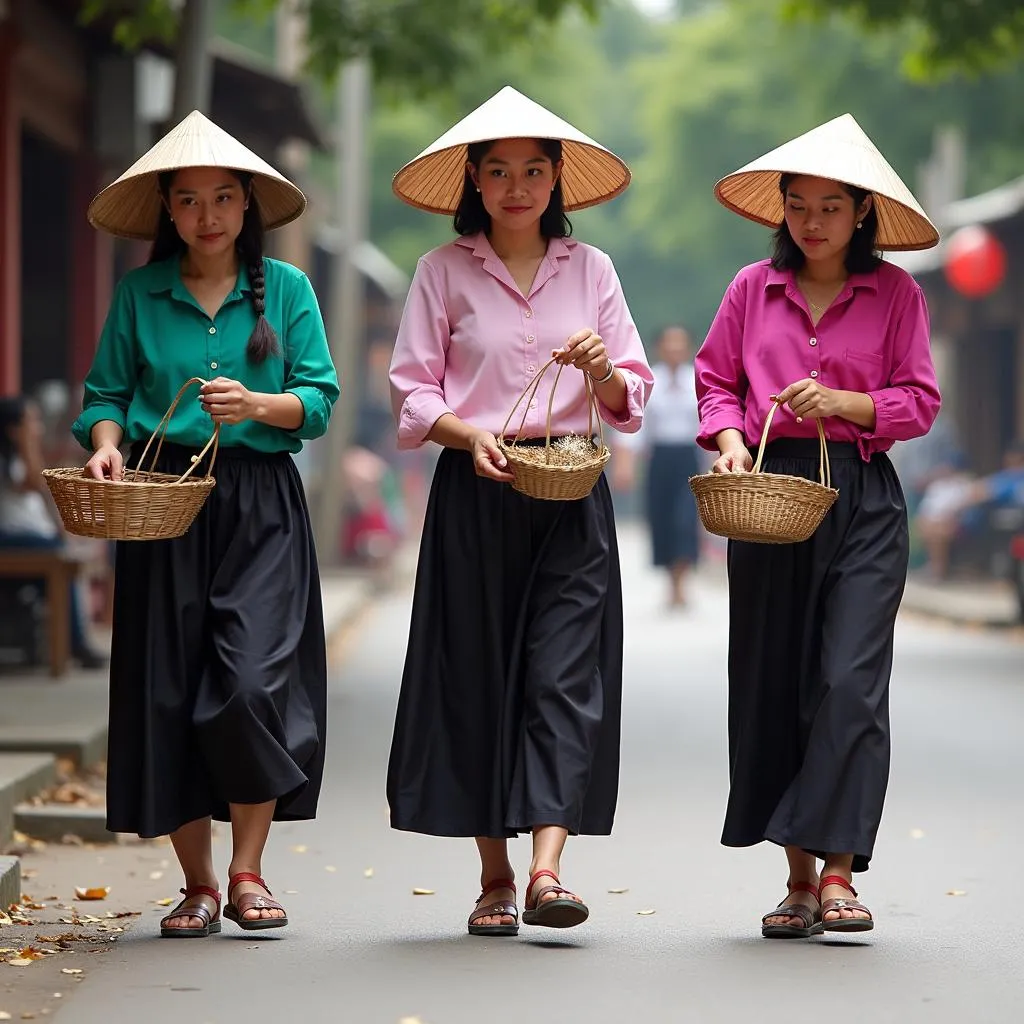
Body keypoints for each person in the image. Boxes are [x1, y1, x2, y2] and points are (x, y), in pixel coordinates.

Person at [387, 86, 653, 934]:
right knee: (477, 677)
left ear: (556, 181)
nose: (516, 187)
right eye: (498, 170)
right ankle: (494, 876)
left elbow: (632, 395)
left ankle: (546, 871)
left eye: (533, 171)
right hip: (476, 490)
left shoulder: (595, 270)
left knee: (565, 677)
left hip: (571, 494)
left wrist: (601, 368)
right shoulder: (441, 271)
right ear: (473, 179)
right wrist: (467, 436)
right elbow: (412, 391)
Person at [71, 111, 339, 937]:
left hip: (260, 504)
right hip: (161, 507)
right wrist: (107, 450)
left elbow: (319, 399)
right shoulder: (139, 294)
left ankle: (249, 869)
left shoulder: (287, 291)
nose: (209, 214)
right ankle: (196, 885)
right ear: (169, 213)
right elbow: (103, 399)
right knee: (169, 694)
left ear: (248, 208)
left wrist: (259, 404)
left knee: (250, 686)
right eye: (189, 200)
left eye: (225, 197)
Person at [696, 114, 941, 937]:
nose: (811, 221)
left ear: (862, 213)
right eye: (796, 205)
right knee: (777, 682)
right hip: (770, 497)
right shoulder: (747, 289)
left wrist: (846, 403)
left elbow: (919, 400)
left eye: (830, 207)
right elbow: (714, 383)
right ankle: (797, 881)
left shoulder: (897, 293)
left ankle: (839, 871)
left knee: (848, 681)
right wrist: (729, 440)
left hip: (864, 500)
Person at [0, 396, 105, 668]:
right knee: (59, 554)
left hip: (34, 538)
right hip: (13, 538)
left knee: (68, 559)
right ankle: (74, 644)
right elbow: (35, 481)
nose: (37, 428)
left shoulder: (19, 456)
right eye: (30, 421)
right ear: (13, 428)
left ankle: (76, 639)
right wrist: (27, 442)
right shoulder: (10, 459)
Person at [618, 325, 702, 607]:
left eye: (680, 344)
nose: (675, 350)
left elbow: (711, 423)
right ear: (660, 348)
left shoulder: (698, 381)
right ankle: (670, 580)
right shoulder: (648, 382)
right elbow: (635, 427)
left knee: (686, 520)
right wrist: (625, 465)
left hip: (690, 459)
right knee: (663, 519)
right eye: (670, 344)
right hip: (660, 461)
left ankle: (683, 581)